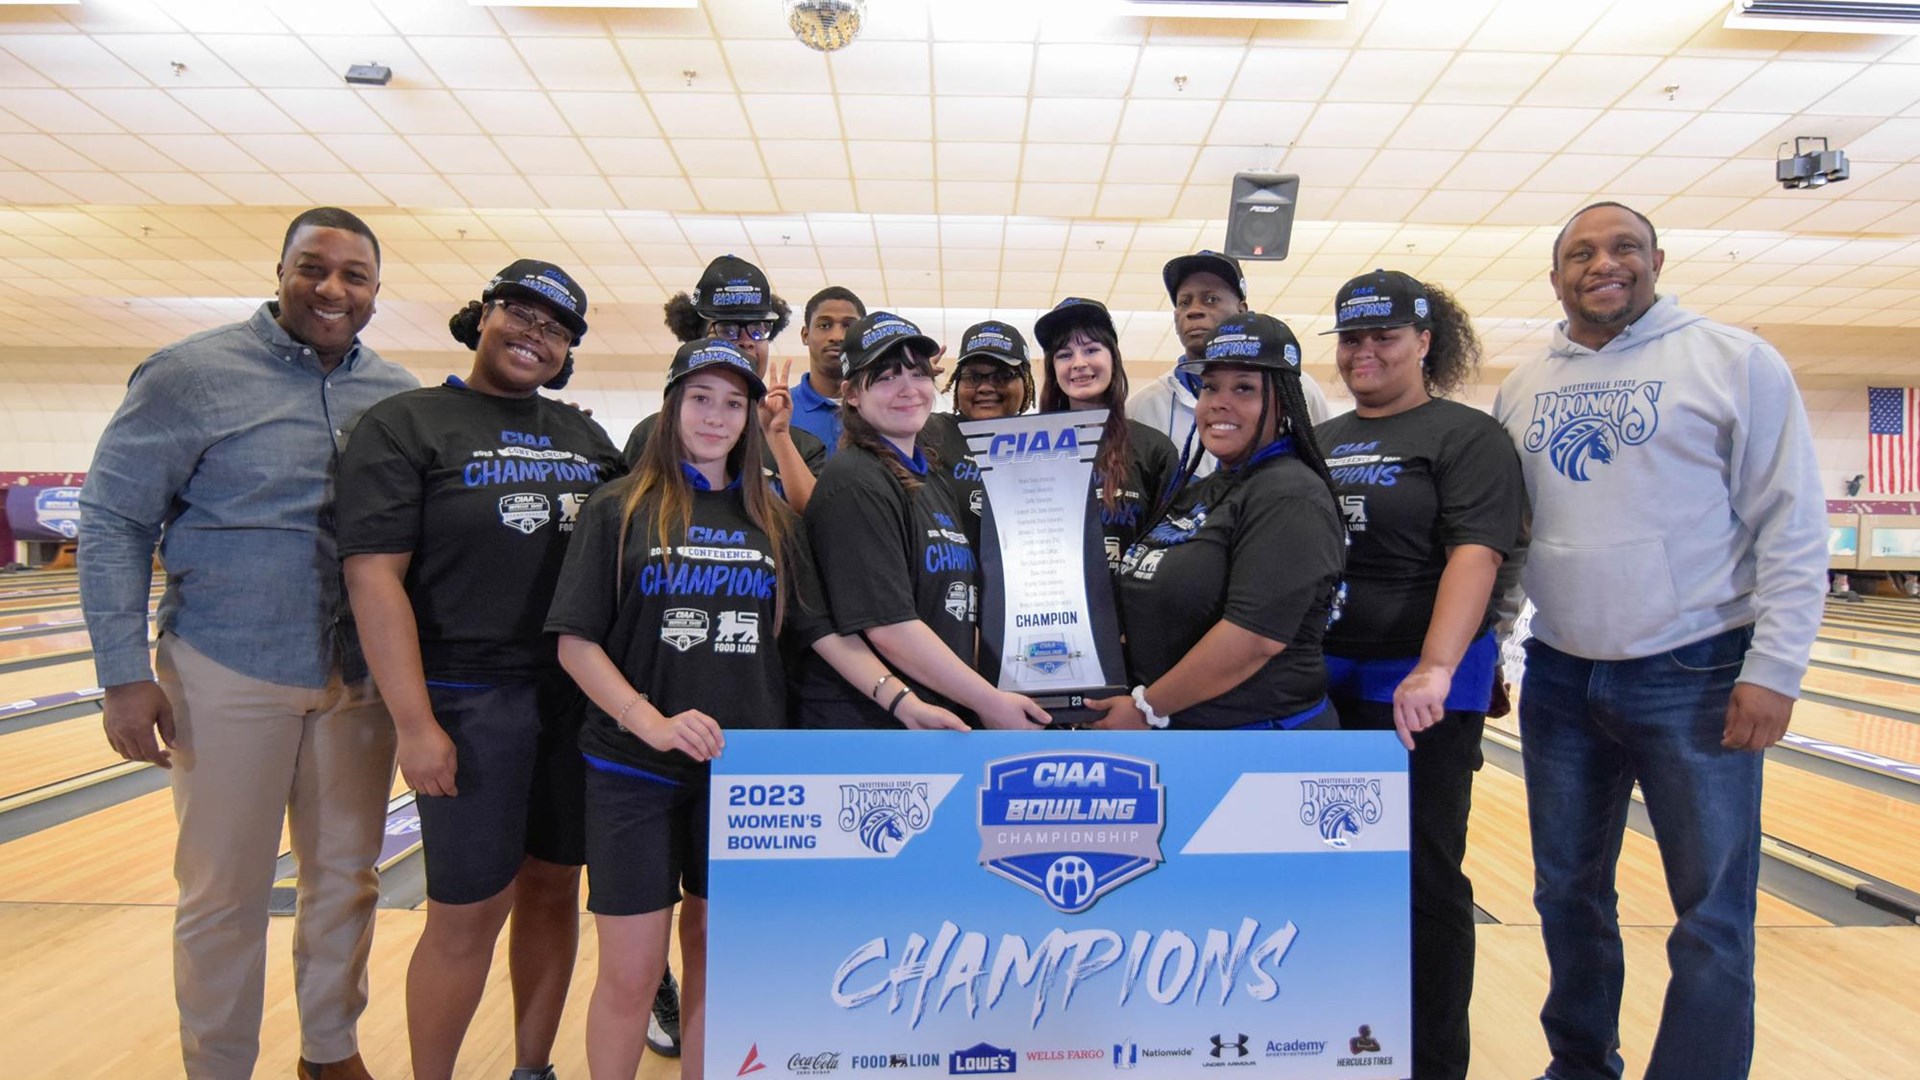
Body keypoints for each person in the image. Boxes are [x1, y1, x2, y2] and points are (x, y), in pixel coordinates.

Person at [545, 337, 963, 1080]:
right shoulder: (620, 508)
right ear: (673, 405)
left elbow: (821, 634)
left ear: (748, 416)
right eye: (701, 399)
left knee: (715, 964)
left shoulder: (771, 520)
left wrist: (904, 702)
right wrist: (651, 720)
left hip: (743, 779)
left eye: (732, 403)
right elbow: (576, 644)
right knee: (632, 975)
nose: (715, 416)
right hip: (631, 770)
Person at [77, 207, 418, 1080]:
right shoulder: (188, 376)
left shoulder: (400, 396)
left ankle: (330, 1052)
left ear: (377, 292)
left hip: (356, 680)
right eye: (314, 267)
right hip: (225, 666)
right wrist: (121, 675)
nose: (333, 289)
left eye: (355, 275)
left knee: (347, 879)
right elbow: (115, 521)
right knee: (223, 894)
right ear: (280, 271)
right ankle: (218, 1064)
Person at [1492, 202, 1827, 1080]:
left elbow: (1791, 524)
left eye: (1624, 248)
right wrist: (1494, 647)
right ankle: (1579, 1064)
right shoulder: (1524, 385)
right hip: (1562, 674)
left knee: (1712, 910)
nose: (1604, 264)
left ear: (1657, 259)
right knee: (1566, 894)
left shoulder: (1735, 361)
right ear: (1557, 273)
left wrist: (1776, 667)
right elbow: (1515, 536)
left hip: (1700, 667)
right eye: (1582, 253)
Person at [337, 260, 623, 1080]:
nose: (533, 335)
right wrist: (416, 723)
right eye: (519, 314)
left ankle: (533, 1066)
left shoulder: (585, 437)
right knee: (466, 912)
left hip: (572, 698)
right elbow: (373, 577)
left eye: (554, 327)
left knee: (551, 888)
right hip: (467, 700)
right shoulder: (409, 424)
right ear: (483, 317)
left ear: (567, 350)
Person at [1315, 269, 1523, 1080]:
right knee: (1333, 874)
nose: (1365, 352)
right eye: (1353, 338)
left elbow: (1477, 552)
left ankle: (1433, 1062)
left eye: (1384, 337)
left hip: (1419, 693)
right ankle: (1342, 1048)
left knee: (1423, 878)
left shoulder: (1464, 437)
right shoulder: (1324, 441)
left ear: (1424, 342)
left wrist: (1435, 666)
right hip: (1327, 685)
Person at [795, 311, 1051, 731]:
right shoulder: (855, 481)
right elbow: (888, 627)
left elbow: (956, 606)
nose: (907, 389)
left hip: (938, 714)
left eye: (916, 374)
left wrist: (980, 692)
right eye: (885, 377)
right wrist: (989, 700)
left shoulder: (925, 477)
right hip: (873, 728)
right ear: (851, 394)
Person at [1094, 313, 1345, 732]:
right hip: (1190, 736)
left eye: (1244, 388)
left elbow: (1253, 638)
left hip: (1256, 745)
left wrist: (1146, 708)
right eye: (1211, 387)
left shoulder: (1289, 494)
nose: (1219, 403)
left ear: (1283, 400)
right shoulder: (1203, 489)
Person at [622, 254, 828, 511]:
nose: (747, 341)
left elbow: (818, 527)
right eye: (727, 329)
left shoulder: (801, 446)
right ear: (695, 338)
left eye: (758, 328)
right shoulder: (653, 434)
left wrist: (778, 438)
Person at [1130, 250, 1331, 478]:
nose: (1194, 310)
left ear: (1241, 311)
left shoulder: (1296, 387)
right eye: (1184, 302)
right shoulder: (1143, 407)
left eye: (1210, 299)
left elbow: (1324, 462)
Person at [1032, 297, 1181, 571]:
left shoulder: (1152, 449)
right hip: (1056, 606)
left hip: (1134, 607)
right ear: (1053, 369)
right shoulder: (1030, 448)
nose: (1078, 363)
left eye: (1090, 350)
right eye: (1064, 355)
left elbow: (1174, 546)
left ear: (1113, 357)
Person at [919, 319, 1036, 541]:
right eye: (973, 377)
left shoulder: (1046, 444)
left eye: (1002, 376)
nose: (985, 388)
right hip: (950, 574)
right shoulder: (928, 432)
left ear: (1025, 382)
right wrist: (908, 383)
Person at [789, 286, 867, 454]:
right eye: (824, 325)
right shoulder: (779, 410)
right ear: (805, 335)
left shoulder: (880, 408)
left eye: (848, 326)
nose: (837, 336)